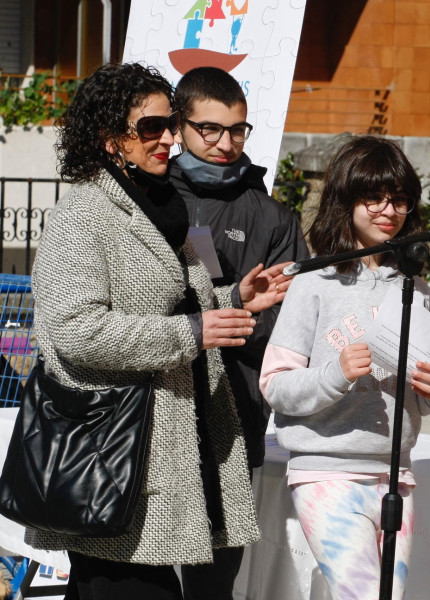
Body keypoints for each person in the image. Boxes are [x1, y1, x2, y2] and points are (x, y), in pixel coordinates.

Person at [29, 62, 290, 599]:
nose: (170, 137)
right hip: (112, 453)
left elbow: (177, 301)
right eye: (152, 127)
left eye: (170, 123)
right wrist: (193, 333)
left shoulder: (162, 207)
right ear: (109, 140)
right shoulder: (81, 213)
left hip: (174, 446)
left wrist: (234, 298)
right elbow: (77, 330)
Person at [259, 135, 430, 599]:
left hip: (396, 474)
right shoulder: (312, 283)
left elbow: (423, 391)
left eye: (400, 200)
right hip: (326, 471)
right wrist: (335, 374)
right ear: (346, 201)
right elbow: (274, 385)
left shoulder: (416, 288)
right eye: (375, 197)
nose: (389, 210)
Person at [169, 66, 309, 598]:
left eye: (238, 130)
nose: (226, 143)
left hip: (234, 413)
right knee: (140, 572)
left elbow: (290, 322)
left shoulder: (273, 218)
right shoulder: (149, 200)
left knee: (212, 577)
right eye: (211, 129)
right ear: (180, 125)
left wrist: (228, 318)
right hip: (152, 407)